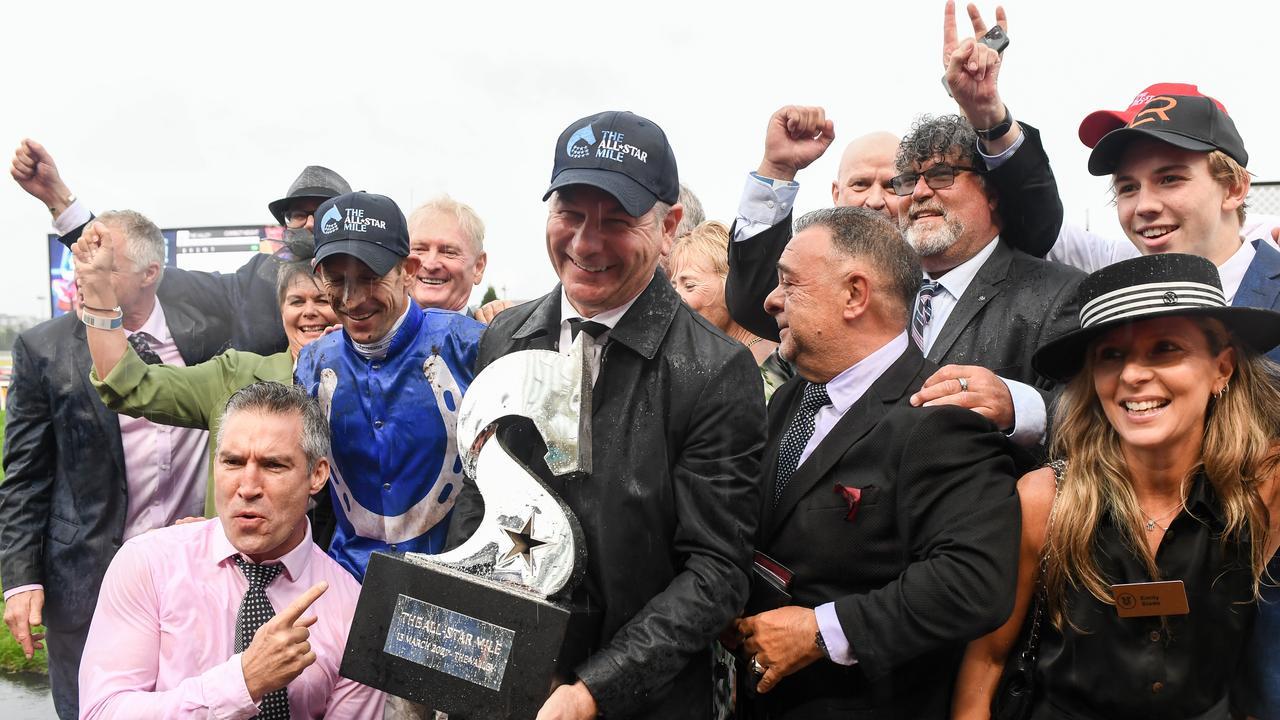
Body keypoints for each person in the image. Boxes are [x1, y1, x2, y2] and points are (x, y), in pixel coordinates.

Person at [448, 109, 766, 720]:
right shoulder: (507, 337)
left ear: (670, 226)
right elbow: (478, 500)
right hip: (512, 687)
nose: (586, 243)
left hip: (644, 703)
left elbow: (717, 571)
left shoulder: (716, 372)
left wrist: (594, 690)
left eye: (617, 222)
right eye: (569, 214)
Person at [953, 253, 1280, 719]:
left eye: (1165, 348)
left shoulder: (1262, 487)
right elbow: (986, 661)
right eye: (1111, 355)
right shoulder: (1047, 499)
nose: (1132, 376)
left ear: (1222, 369)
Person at [731, 206, 1020, 718]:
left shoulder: (937, 416)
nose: (771, 299)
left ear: (854, 295)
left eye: (788, 282)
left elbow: (974, 581)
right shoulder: (791, 400)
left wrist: (821, 632)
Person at [1078, 82, 1280, 719]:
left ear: (1234, 187)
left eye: (1169, 178)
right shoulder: (1106, 307)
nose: (1145, 205)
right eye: (1128, 187)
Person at [725, 3, 1064, 347]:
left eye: (891, 185)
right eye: (859, 184)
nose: (875, 201)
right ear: (834, 193)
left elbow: (1035, 218)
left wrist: (981, 110)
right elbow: (757, 301)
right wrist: (779, 169)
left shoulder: (1020, 277)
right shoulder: (838, 294)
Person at [0, 210, 219, 719]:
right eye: (81, 265)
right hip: (86, 581)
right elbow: (25, 476)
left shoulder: (206, 335)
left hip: (190, 581)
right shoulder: (43, 349)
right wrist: (20, 579)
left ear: (150, 275)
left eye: (104, 265)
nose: (86, 275)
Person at [78, 381, 385, 718]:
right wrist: (244, 681)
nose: (248, 487)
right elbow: (102, 712)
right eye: (233, 462)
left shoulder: (352, 610)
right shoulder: (149, 566)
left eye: (273, 466)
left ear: (317, 475)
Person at [74, 221, 335, 517]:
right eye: (296, 301)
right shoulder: (237, 375)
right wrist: (98, 299)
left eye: (323, 300)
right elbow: (130, 385)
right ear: (281, 310)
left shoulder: (376, 380)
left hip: (336, 561)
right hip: (238, 560)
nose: (309, 311)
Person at [10, 139, 350, 355]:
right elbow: (136, 268)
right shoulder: (255, 282)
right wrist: (61, 202)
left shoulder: (383, 284)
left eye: (322, 214)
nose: (308, 223)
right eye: (297, 214)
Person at [295, 191, 483, 580]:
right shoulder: (313, 363)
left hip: (452, 589)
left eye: (369, 277)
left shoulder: (470, 345)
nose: (352, 298)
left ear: (408, 270)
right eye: (337, 279)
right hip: (346, 584)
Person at [668, 221, 783, 394]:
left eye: (689, 285)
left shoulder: (781, 355)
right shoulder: (689, 358)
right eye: (674, 286)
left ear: (730, 283)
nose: (676, 299)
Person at [406, 194, 489, 315]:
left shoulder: (497, 332)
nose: (430, 264)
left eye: (449, 252)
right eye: (419, 249)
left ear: (479, 266)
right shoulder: (377, 331)